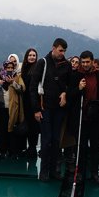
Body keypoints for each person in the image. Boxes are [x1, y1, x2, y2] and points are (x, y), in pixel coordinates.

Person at [31, 38, 72, 180]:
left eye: (64, 51)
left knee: (56, 140)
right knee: (46, 139)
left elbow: (70, 84)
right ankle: (44, 170)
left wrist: (65, 93)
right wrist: (36, 109)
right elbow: (32, 87)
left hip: (59, 108)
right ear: (53, 48)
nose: (62, 53)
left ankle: (54, 170)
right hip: (45, 107)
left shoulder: (66, 65)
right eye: (60, 50)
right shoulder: (43, 63)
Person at [70, 50, 99, 181]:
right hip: (81, 116)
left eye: (87, 62)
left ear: (92, 61)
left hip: (96, 117)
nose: (85, 64)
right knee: (81, 146)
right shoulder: (75, 76)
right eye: (83, 62)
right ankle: (80, 172)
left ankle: (95, 172)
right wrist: (78, 88)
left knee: (96, 146)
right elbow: (70, 96)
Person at [20, 48, 41, 157]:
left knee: (34, 127)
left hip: (34, 101)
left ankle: (32, 148)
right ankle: (28, 148)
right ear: (26, 57)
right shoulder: (24, 69)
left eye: (34, 55)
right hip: (25, 102)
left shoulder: (37, 69)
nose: (32, 57)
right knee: (27, 126)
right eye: (30, 55)